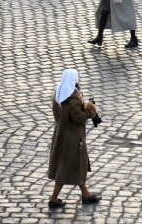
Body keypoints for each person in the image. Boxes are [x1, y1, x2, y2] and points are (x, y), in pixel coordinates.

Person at [47, 69, 101, 208]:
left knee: (71, 166)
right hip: (72, 139)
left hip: (62, 135)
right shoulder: (71, 100)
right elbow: (79, 118)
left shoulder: (59, 94)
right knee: (69, 167)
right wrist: (90, 109)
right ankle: (55, 198)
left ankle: (85, 194)